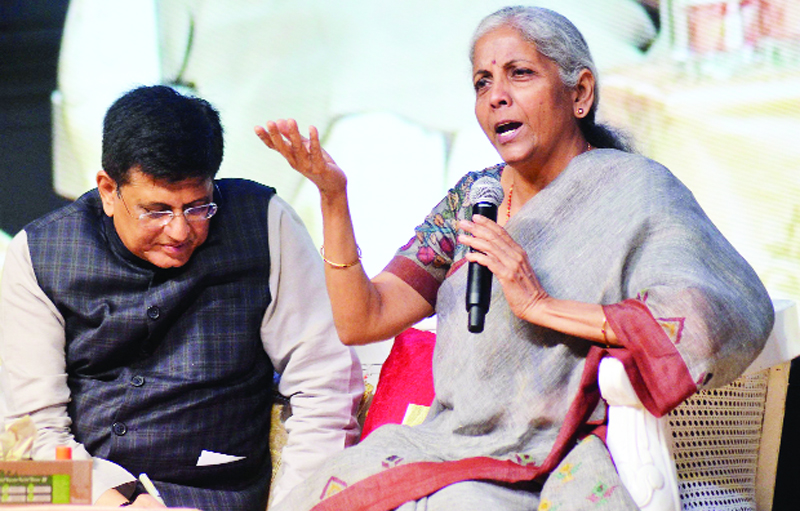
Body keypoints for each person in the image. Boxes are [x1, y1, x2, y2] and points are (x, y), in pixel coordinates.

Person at [254, 5, 775, 511]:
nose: (496, 96)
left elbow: (712, 317)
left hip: (562, 451)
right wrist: (333, 197)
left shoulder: (636, 189)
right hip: (445, 444)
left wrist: (540, 305)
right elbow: (362, 320)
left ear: (580, 93)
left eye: (519, 74)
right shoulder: (473, 199)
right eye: (482, 83)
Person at [0, 85, 364, 510]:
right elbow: (33, 432)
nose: (179, 231)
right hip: (83, 490)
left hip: (209, 494)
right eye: (156, 210)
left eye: (197, 207)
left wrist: (296, 503)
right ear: (108, 190)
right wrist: (115, 501)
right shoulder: (40, 254)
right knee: (15, 482)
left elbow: (326, 384)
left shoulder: (264, 224)